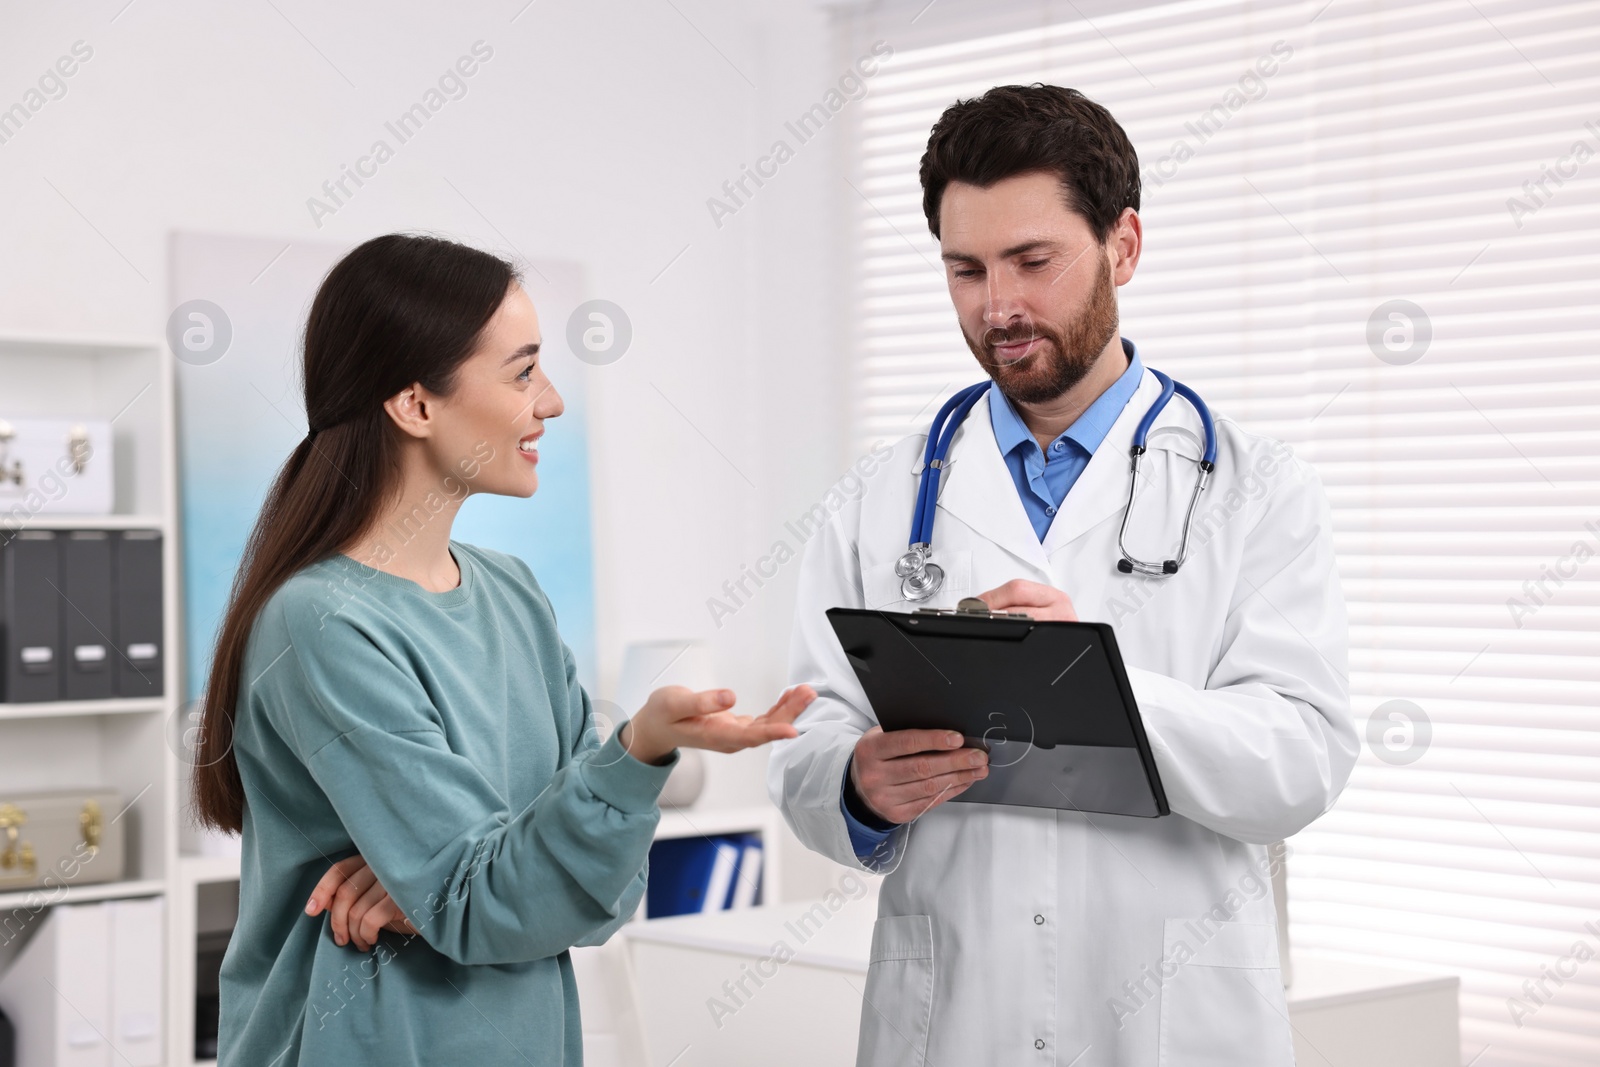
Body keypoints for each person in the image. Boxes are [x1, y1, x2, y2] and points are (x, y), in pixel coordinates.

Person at [768, 84, 1357, 1065]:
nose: (997, 306)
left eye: (1032, 261)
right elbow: (802, 741)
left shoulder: (1260, 489)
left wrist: (1100, 681)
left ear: (1122, 244)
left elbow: (1301, 758)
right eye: (965, 269)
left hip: (1172, 1021)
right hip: (954, 1014)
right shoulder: (876, 495)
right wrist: (857, 781)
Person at [191, 233, 814, 1066]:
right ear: (415, 405)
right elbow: (493, 899)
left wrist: (445, 881)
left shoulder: (512, 592)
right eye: (522, 373)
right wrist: (634, 752)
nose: (551, 401)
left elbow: (597, 895)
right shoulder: (325, 623)